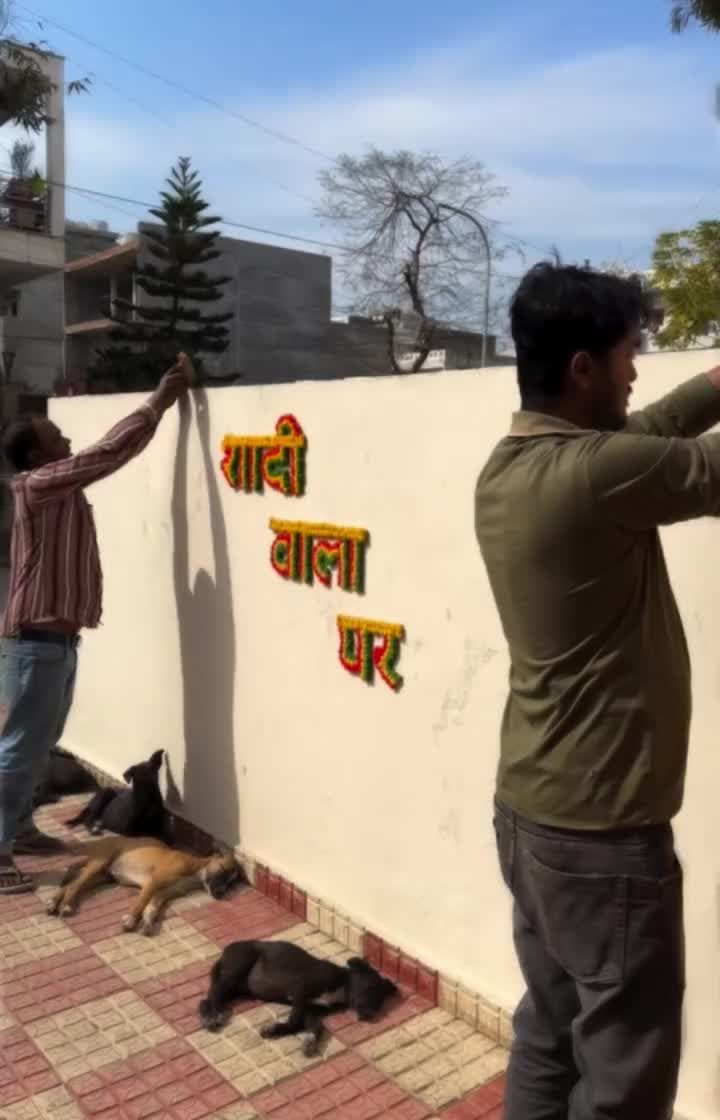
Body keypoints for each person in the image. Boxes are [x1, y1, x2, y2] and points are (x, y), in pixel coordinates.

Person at [474, 262, 720, 1120]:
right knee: (624, 1078)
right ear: (584, 368)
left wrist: (716, 381)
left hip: (532, 816)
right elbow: (694, 463)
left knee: (549, 1033)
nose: (636, 371)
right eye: (627, 354)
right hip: (602, 837)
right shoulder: (595, 475)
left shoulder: (511, 467)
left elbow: (648, 431)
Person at [0, 354, 192, 894]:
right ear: (37, 454)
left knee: (39, 743)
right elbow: (107, 453)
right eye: (55, 436)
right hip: (35, 643)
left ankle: (18, 829)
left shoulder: (58, 489)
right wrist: (160, 400)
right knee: (18, 749)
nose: (66, 439)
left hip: (55, 643)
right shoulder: (38, 485)